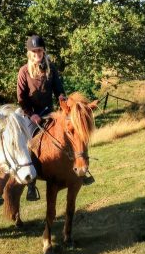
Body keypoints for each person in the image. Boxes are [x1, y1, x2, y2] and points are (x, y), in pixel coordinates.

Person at [16, 35, 94, 201]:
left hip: (49, 112)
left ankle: (81, 170)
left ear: (44, 51)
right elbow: (21, 98)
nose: (37, 53)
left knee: (72, 134)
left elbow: (59, 91)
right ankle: (31, 184)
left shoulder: (51, 68)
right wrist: (31, 114)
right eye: (34, 51)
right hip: (30, 115)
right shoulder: (24, 71)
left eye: (40, 50)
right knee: (30, 142)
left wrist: (65, 105)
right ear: (30, 53)